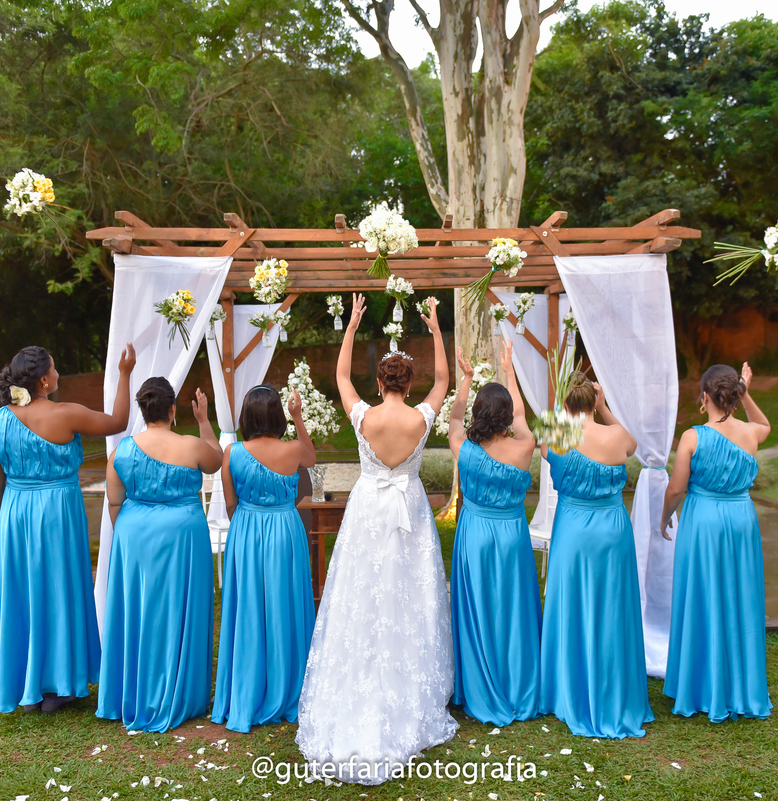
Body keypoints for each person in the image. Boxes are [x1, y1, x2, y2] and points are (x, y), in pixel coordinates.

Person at [296, 295, 456, 785]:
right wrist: (433, 328)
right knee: (409, 597)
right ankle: (407, 689)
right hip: (407, 510)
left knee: (361, 594)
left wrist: (351, 326)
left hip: (368, 511)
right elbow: (446, 381)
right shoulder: (419, 419)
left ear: (380, 382)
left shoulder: (363, 416)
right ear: (408, 383)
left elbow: (341, 378)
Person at [0, 343, 136, 714]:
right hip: (57, 513)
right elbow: (117, 422)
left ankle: (25, 682)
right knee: (58, 587)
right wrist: (125, 373)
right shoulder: (66, 414)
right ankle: (58, 686)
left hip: (16, 512)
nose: (59, 374)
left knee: (24, 591)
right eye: (55, 369)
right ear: (45, 380)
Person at [96, 378, 223, 732]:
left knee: (138, 610)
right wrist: (203, 420)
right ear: (172, 410)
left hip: (134, 534)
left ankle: (134, 689)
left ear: (142, 410)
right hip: (182, 535)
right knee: (178, 609)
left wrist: (129, 536)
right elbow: (216, 459)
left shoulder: (121, 451)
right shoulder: (192, 445)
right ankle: (179, 691)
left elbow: (114, 501)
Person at [538, 372, 654, 738]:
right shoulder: (616, 436)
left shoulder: (558, 436)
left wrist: (564, 409)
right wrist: (604, 408)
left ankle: (571, 690)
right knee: (612, 608)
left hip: (574, 531)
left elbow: (546, 436)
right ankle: (614, 689)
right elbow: (632, 444)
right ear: (593, 401)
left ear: (568, 404)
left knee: (573, 606)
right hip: (613, 532)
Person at [661, 362, 772, 722]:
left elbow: (676, 487)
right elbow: (766, 425)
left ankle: (700, 685)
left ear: (704, 396)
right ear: (734, 397)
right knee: (738, 596)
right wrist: (747, 391)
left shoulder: (693, 437)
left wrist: (665, 516)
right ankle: (738, 683)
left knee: (703, 594)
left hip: (705, 521)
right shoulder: (751, 434)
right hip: (741, 520)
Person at [211, 383, 316, 733]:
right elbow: (311, 459)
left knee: (249, 608)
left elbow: (229, 504)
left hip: (246, 529)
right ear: (277, 416)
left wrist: (248, 523)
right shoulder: (292, 450)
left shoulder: (232, 453)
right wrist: (299, 417)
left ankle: (248, 687)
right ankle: (288, 687)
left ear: (246, 416)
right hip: (285, 531)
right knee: (285, 605)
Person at [449, 340, 541, 726]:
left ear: (478, 414)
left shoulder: (463, 448)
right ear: (505, 416)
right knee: (514, 607)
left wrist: (467, 380)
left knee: (478, 607)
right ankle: (518, 684)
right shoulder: (525, 447)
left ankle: (481, 683)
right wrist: (510, 372)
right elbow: (521, 415)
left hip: (475, 535)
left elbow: (454, 418)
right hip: (512, 535)